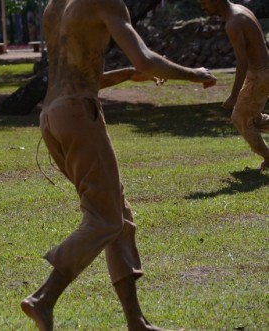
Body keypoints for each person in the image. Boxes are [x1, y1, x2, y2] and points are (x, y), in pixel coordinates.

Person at [20, 1, 217, 330]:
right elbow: (145, 59)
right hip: (79, 114)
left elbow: (74, 73)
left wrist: (125, 75)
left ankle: (136, 321)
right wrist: (194, 74)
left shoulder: (56, 6)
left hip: (52, 116)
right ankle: (44, 298)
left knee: (118, 218)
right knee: (105, 218)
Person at [199, 0, 269, 170]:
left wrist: (234, 94)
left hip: (260, 74)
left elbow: (242, 61)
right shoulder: (241, 10)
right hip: (263, 70)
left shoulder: (233, 22)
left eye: (204, 2)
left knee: (240, 119)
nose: (203, 7)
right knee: (251, 116)